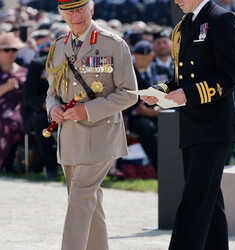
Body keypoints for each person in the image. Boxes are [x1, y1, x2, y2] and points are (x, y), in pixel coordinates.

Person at [141, 0, 235, 249]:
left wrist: (189, 94)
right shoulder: (183, 25)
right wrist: (159, 90)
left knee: (194, 201)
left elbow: (232, 75)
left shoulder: (222, 20)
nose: (175, 0)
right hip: (191, 126)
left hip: (214, 127)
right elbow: (180, 77)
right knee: (209, 203)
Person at [45, 0, 137, 249]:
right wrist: (52, 108)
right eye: (69, 11)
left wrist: (87, 109)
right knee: (89, 204)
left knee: (79, 202)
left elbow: (129, 93)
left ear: (92, 9)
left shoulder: (113, 44)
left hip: (101, 133)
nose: (76, 16)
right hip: (69, 137)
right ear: (61, 14)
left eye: (80, 9)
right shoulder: (59, 47)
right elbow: (52, 92)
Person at [124, 40, 172, 170]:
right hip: (137, 115)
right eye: (138, 58)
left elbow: (172, 90)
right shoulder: (128, 72)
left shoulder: (162, 70)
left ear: (151, 57)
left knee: (170, 124)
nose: (141, 62)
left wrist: (161, 108)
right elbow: (123, 95)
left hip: (161, 111)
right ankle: (159, 165)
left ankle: (172, 162)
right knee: (146, 127)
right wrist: (137, 111)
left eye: (145, 58)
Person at [23, 29, 58, 178]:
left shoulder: (68, 61)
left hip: (68, 107)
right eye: (43, 45)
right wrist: (45, 105)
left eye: (49, 43)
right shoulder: (37, 64)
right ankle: (50, 168)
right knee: (39, 122)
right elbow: (29, 95)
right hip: (45, 111)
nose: (47, 48)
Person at [0, 32, 27, 171]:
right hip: (2, 108)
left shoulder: (24, 70)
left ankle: (10, 163)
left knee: (13, 121)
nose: (10, 52)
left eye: (14, 49)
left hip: (20, 108)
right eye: (6, 49)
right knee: (7, 120)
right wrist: (6, 87)